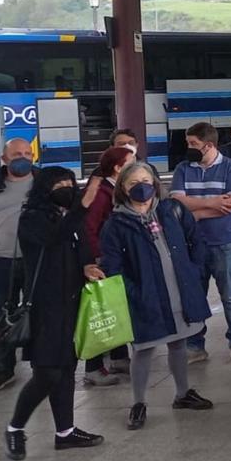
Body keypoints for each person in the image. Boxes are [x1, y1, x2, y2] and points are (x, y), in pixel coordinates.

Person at [99, 163, 214, 430]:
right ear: (123, 189)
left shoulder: (170, 210)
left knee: (178, 343)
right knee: (143, 349)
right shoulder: (116, 223)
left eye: (146, 180)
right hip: (146, 296)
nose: (141, 186)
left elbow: (196, 239)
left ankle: (183, 393)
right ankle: (138, 403)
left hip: (179, 290)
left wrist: (194, 269)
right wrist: (134, 293)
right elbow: (112, 266)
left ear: (154, 182)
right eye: (133, 183)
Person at [6, 167, 104, 460]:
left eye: (69, 183)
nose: (66, 187)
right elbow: (53, 240)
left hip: (73, 302)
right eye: (58, 184)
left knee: (66, 370)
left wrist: (87, 265)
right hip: (46, 307)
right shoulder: (33, 218)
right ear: (43, 188)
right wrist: (83, 205)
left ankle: (65, 432)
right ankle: (14, 429)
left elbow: (81, 247)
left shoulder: (69, 216)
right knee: (47, 372)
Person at [170, 122, 231, 366]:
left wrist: (196, 213)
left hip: (225, 241)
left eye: (193, 144)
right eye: (188, 143)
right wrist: (214, 204)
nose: (189, 148)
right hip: (192, 244)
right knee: (195, 295)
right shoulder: (183, 168)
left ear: (209, 145)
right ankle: (195, 345)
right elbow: (177, 203)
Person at [79, 146, 136, 387]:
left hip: (116, 258)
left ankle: (119, 357)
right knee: (101, 312)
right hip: (102, 261)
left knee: (116, 307)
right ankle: (93, 367)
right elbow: (89, 229)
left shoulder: (116, 190)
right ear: (118, 167)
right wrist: (94, 259)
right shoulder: (102, 194)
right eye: (131, 162)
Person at [0, 139, 35, 390]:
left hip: (36, 257)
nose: (23, 157)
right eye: (16, 154)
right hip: (1, 259)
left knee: (38, 311)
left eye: (27, 153)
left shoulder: (44, 181)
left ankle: (40, 364)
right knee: (1, 314)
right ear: (4, 158)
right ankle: (3, 367)